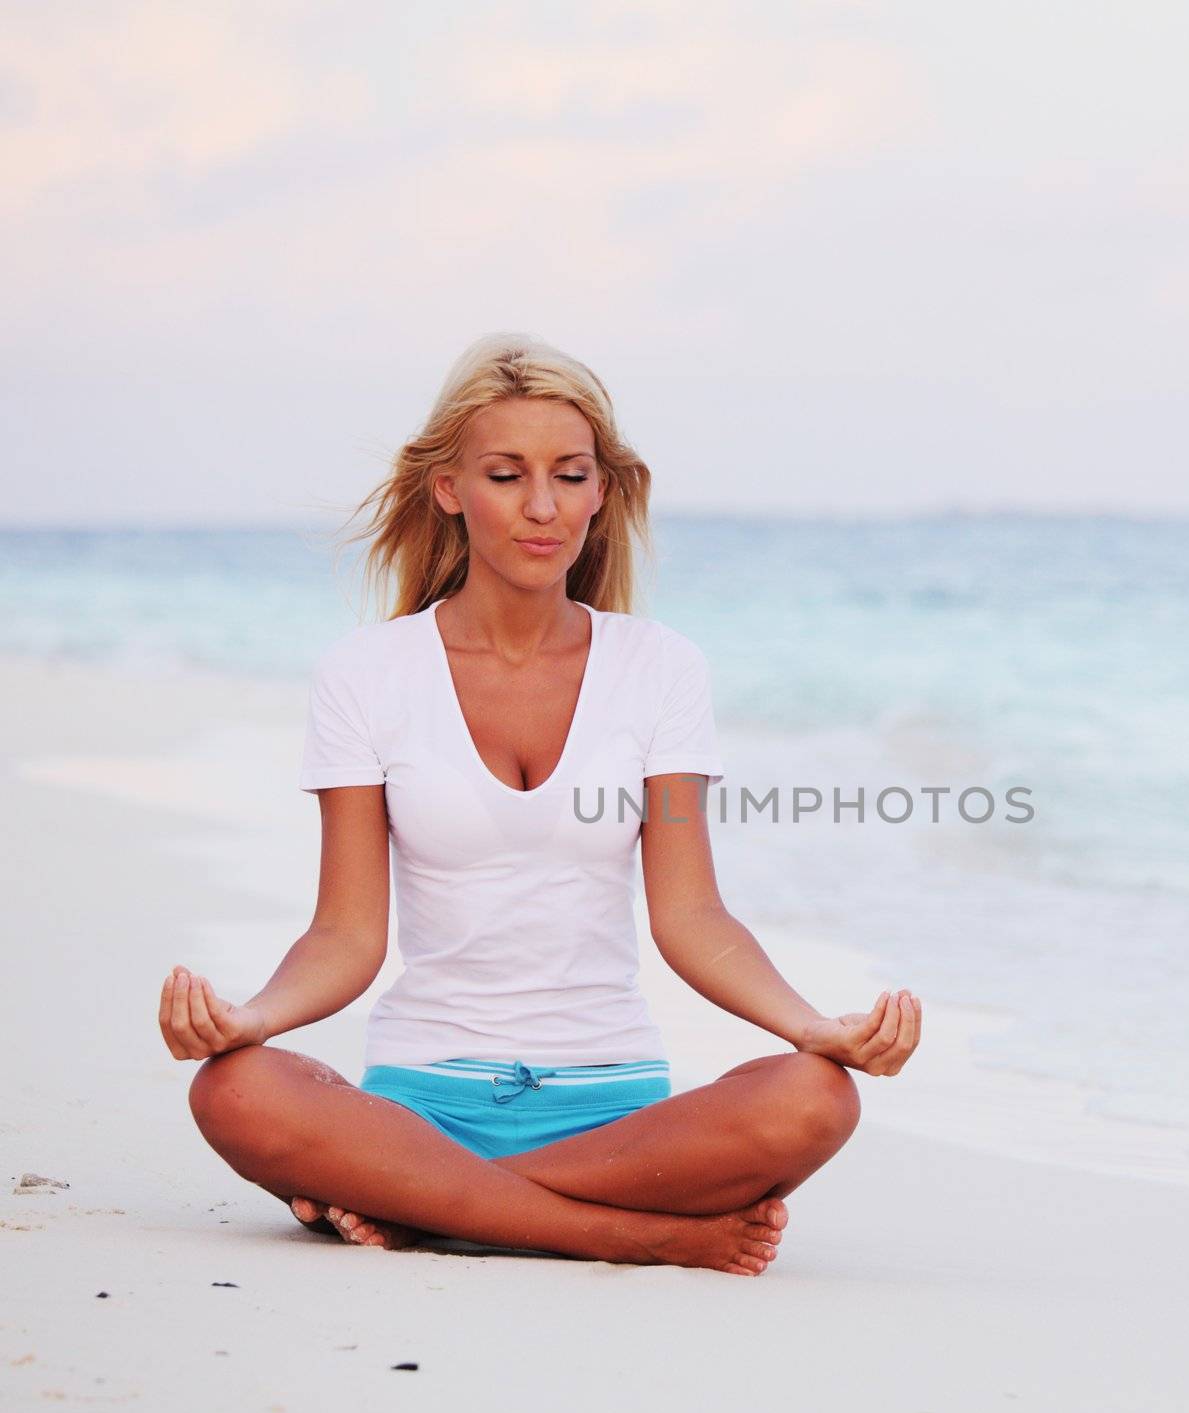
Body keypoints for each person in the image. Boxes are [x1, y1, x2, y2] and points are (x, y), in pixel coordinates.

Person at [161, 332, 922, 1274]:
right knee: (234, 1089)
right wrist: (254, 1019)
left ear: (602, 491)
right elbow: (347, 934)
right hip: (417, 1103)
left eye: (568, 475)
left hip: (613, 1115)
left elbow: (691, 914)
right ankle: (629, 1235)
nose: (540, 507)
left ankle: (428, 1204)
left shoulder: (659, 667)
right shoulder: (368, 672)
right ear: (448, 488)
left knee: (816, 1099)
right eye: (505, 474)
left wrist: (811, 1027)